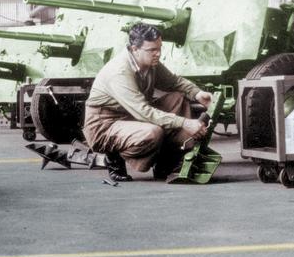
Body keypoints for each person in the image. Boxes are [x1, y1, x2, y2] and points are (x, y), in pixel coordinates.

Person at [83, 23, 213, 181]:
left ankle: (165, 162)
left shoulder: (149, 62)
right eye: (152, 50)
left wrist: (197, 93)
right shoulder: (119, 71)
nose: (158, 54)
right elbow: (144, 111)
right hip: (105, 125)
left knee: (178, 98)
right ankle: (113, 155)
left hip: (131, 115)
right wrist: (185, 122)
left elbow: (174, 82)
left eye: (159, 48)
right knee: (153, 133)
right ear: (134, 49)